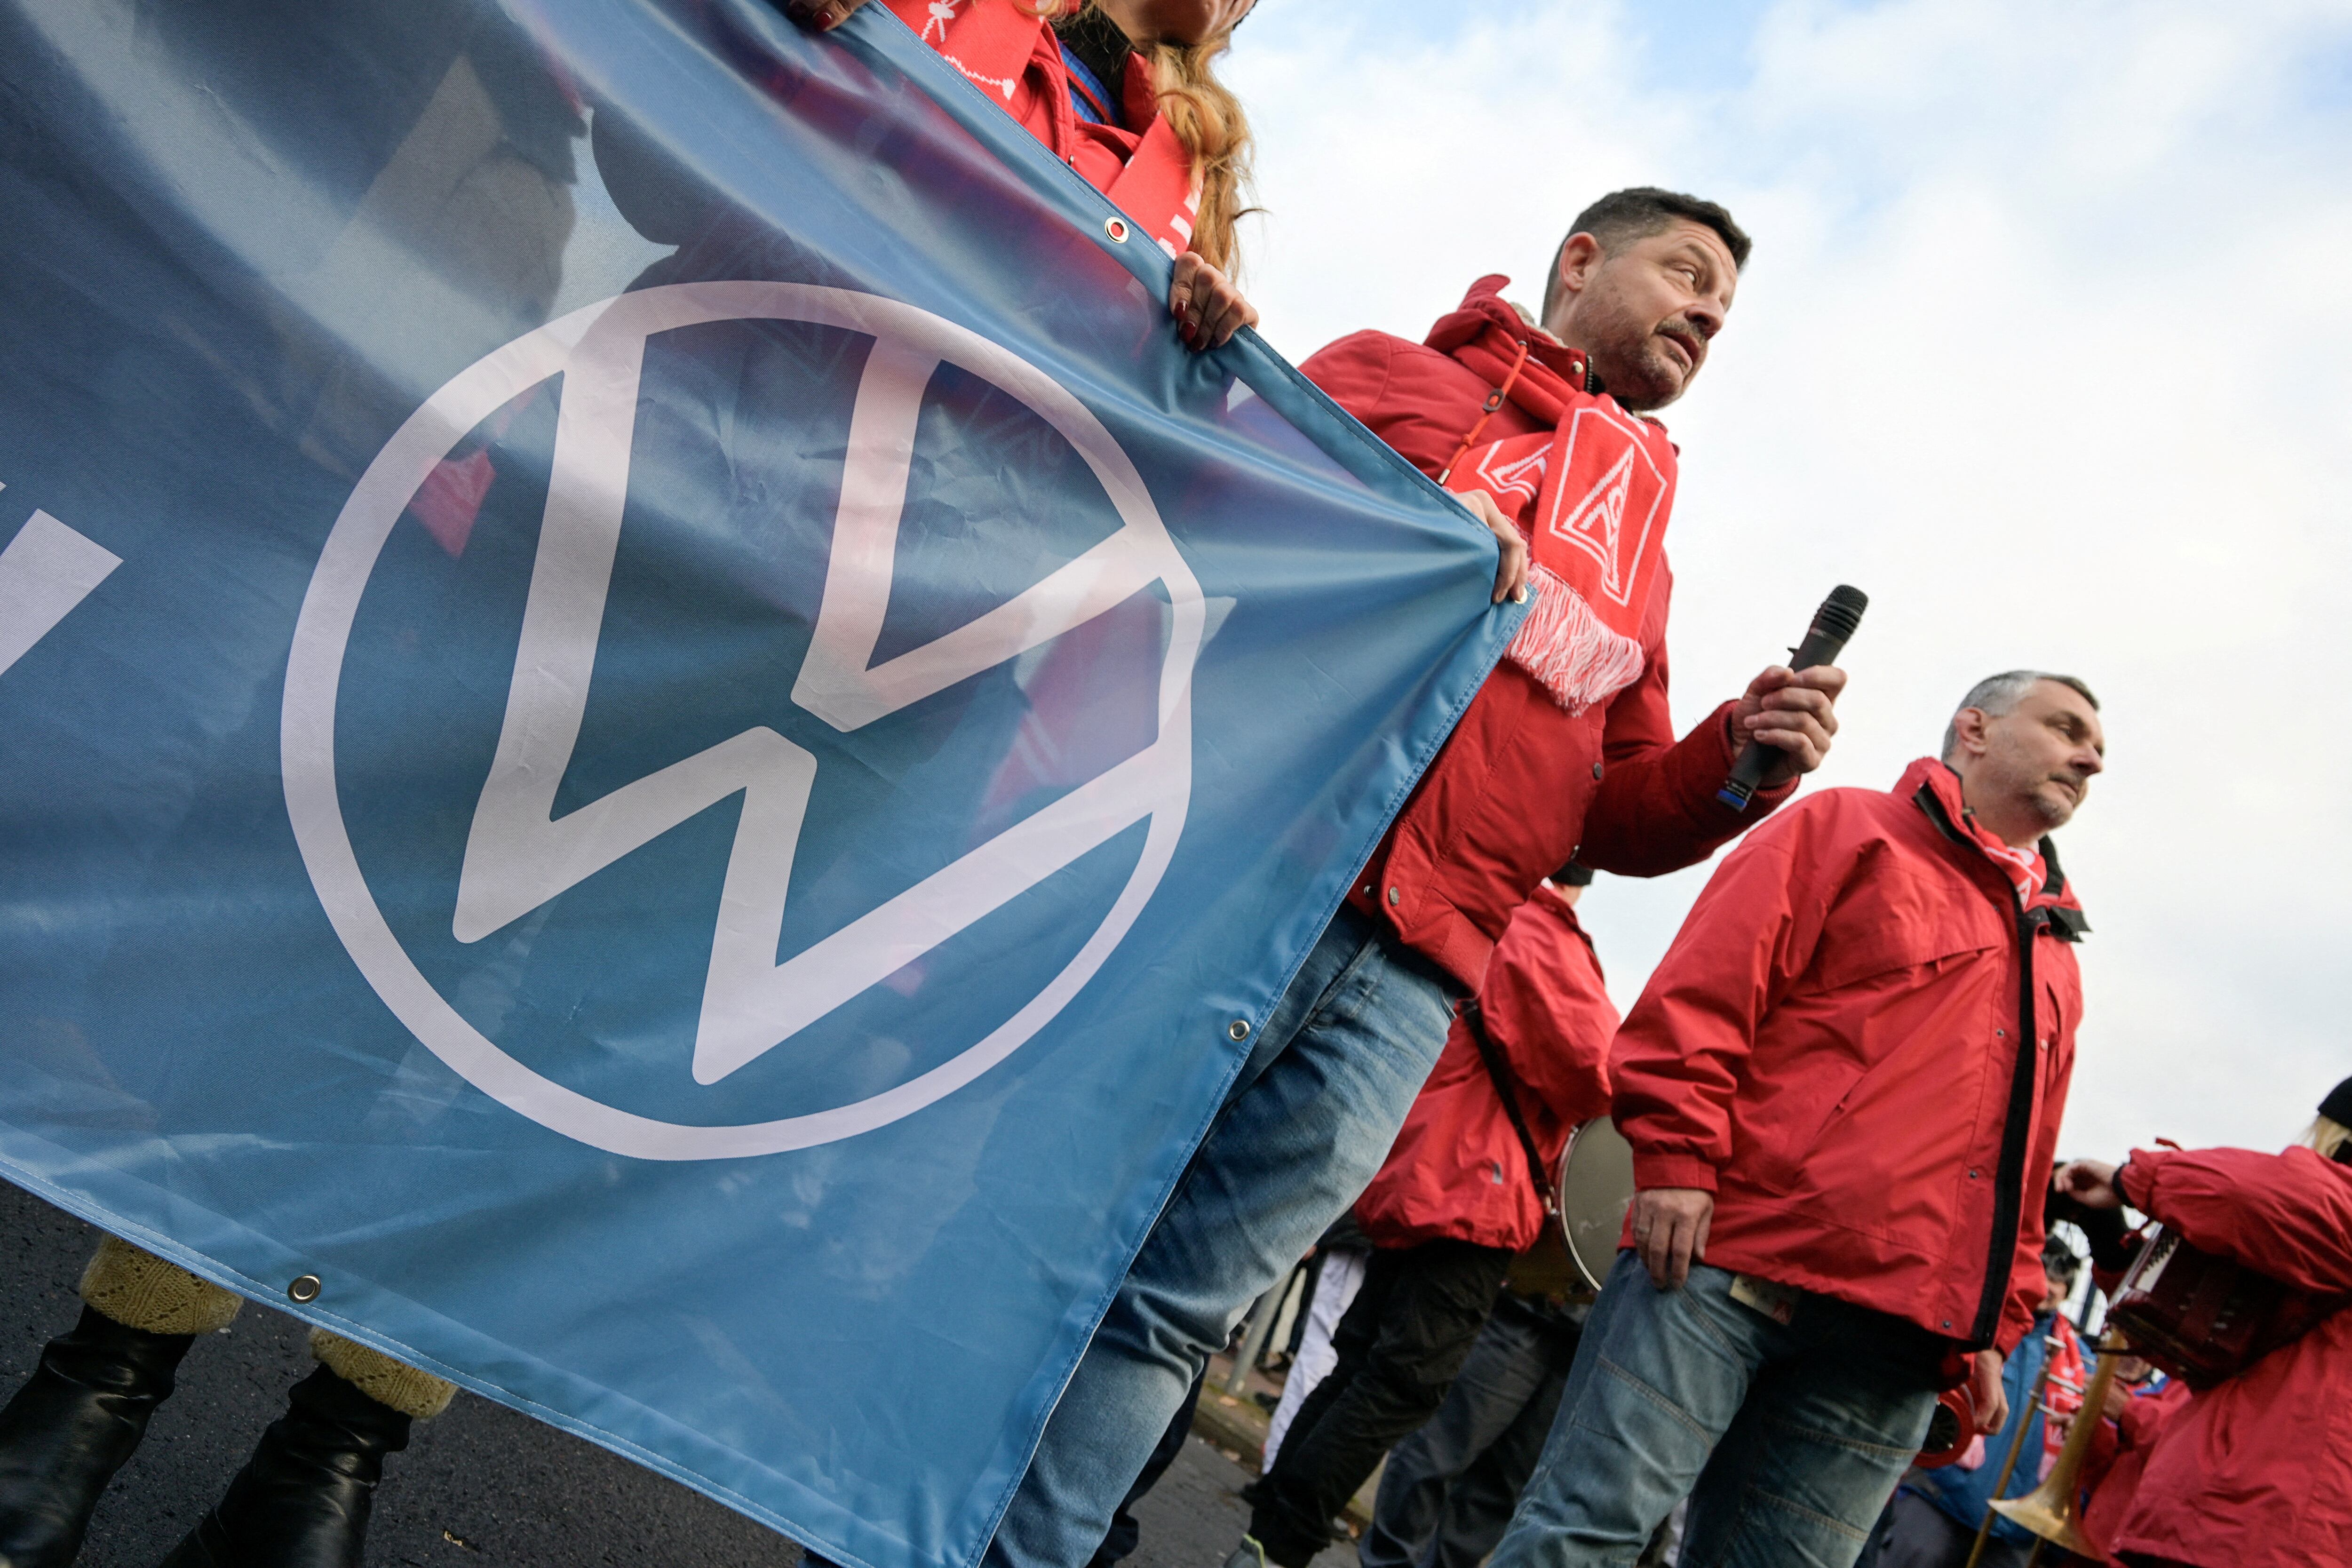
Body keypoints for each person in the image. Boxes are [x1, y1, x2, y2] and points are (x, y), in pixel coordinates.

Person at [977, 186, 1848, 1568]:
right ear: (1579, 261)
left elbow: (1605, 815)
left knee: (1177, 1311)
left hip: (1419, 975)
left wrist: (1736, 764)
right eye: (1684, 274)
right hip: (1239, 874)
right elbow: (1195, 529)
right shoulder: (1396, 376)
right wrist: (1372, 491)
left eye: (1724, 312)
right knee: (1034, 1237)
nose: (1704, 315)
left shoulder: (1638, 559)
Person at [1491, 671, 2106, 1568]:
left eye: (2096, 749)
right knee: (1584, 1535)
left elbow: (2021, 1164)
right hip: (1724, 1266)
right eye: (2065, 728)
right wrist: (1675, 1160)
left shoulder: (2056, 956)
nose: (2088, 757)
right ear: (1974, 727)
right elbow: (1704, 995)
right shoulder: (1843, 826)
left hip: (1897, 1342)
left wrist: (1994, 1326)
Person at [1238, 868, 1615, 1568]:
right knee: (1403, 1383)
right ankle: (1280, 1543)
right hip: (1475, 1189)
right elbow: (1595, 1069)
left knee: (1358, 1367)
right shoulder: (1542, 930)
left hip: (1421, 1171)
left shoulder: (1491, 912)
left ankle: (1266, 1534)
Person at [784, 0, 1263, 352]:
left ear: (1225, 29)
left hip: (922, 434)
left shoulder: (1199, 183)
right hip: (778, 294)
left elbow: (1152, 426)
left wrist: (1207, 322)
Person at [2049, 1075, 2352, 1568]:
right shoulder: (2316, 1246)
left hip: (2263, 1530)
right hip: (2226, 1521)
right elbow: (2191, 1322)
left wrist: (2134, 1179)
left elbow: (2242, 1191)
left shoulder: (2325, 1217)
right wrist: (2109, 1241)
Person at [1858, 1239, 2089, 1568]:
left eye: (2060, 1280)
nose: (2049, 1287)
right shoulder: (1977, 1318)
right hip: (1940, 1497)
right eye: (2044, 1273)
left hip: (2013, 1528)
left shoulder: (2081, 1362)